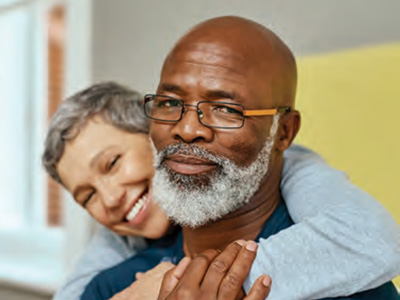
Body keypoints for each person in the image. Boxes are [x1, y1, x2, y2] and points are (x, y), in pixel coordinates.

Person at [78, 17, 400, 300]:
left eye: (226, 109)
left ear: (283, 132)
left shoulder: (348, 281)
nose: (187, 128)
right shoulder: (115, 290)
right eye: (170, 103)